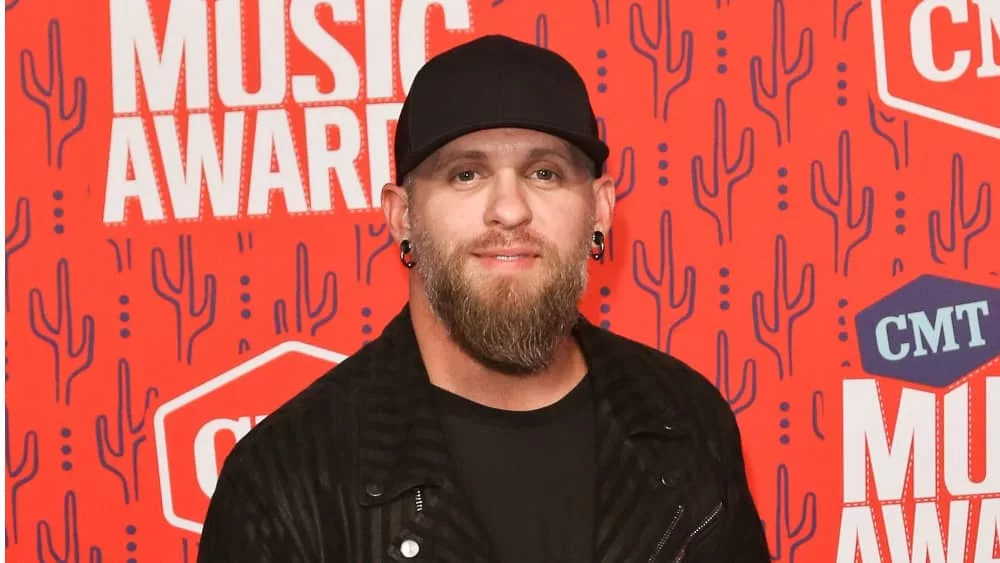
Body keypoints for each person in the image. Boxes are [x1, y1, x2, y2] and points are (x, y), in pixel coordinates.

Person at [197, 34, 770, 563]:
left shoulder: (685, 420)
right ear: (402, 216)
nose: (510, 210)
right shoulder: (284, 482)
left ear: (599, 209)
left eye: (544, 173)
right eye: (466, 175)